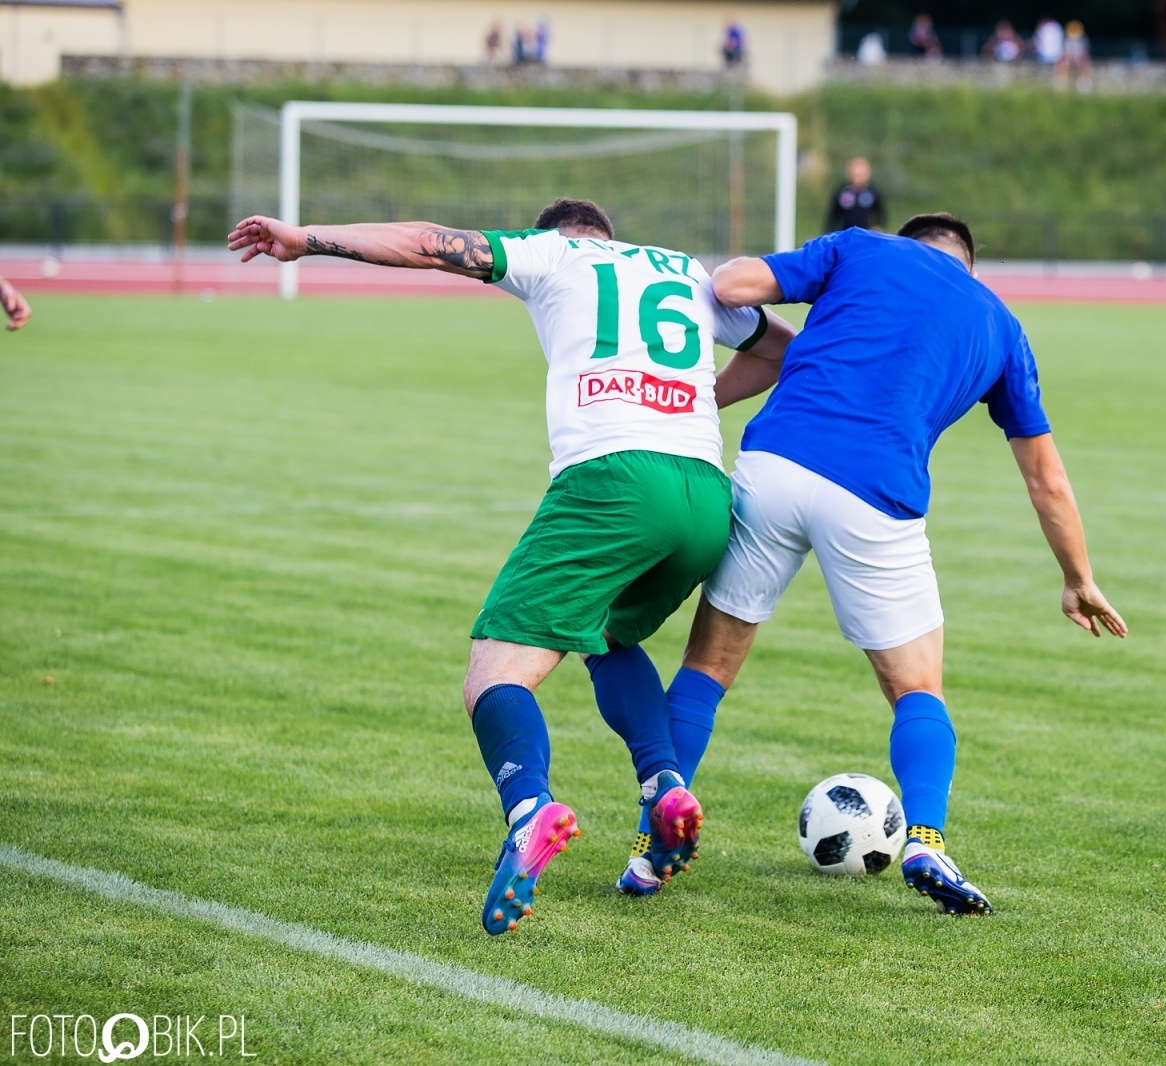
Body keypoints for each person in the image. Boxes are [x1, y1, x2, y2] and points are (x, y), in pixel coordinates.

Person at [226, 200, 794, 926]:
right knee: (611, 636)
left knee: (492, 672)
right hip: (706, 494)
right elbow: (778, 347)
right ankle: (664, 783)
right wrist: (690, 401)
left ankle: (530, 809)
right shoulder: (685, 271)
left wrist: (306, 239)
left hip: (614, 482)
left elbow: (429, 244)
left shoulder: (555, 253)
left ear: (556, 232)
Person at [657, 214, 1126, 915]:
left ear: (905, 242)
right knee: (916, 688)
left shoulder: (858, 248)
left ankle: (652, 843)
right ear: (969, 266)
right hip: (876, 496)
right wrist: (1078, 577)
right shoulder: (1000, 326)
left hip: (775, 463)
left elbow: (730, 284)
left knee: (706, 668)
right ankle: (927, 841)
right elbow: (1046, 479)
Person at [825, 156, 887, 233]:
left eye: (860, 174)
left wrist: (877, 230)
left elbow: (880, 215)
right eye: (855, 174)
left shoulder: (873, 192)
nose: (857, 178)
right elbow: (833, 217)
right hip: (845, 236)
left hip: (866, 235)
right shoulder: (842, 192)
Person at [1059, 20, 1092, 88]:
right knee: (1064, 63)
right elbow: (1065, 52)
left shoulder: (1083, 40)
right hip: (1070, 57)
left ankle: (1084, 83)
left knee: (1083, 63)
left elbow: (1084, 52)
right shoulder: (1067, 40)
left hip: (1079, 58)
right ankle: (1062, 83)